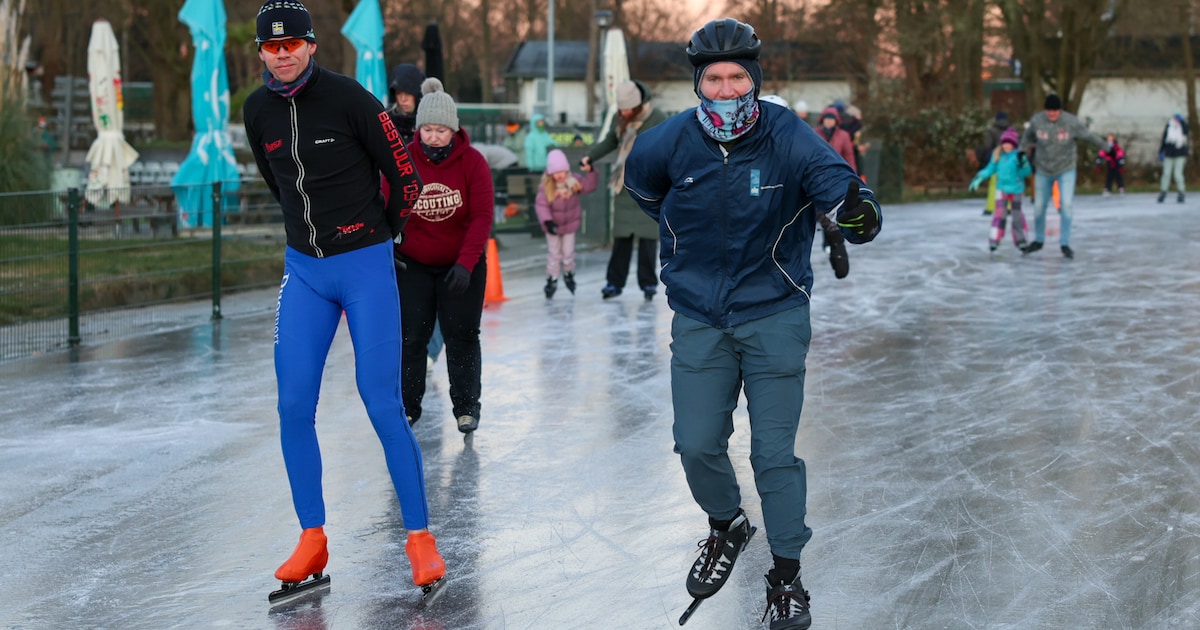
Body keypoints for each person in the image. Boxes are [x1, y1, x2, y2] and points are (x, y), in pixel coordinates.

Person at [623, 18, 881, 630]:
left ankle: (787, 577)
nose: (726, 90)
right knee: (696, 443)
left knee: (773, 455)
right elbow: (643, 190)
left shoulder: (786, 134)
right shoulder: (668, 142)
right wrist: (687, 251)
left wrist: (856, 210)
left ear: (755, 79)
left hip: (774, 313)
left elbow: (836, 185)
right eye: (713, 79)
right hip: (700, 316)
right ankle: (727, 524)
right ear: (698, 83)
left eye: (737, 77)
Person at [242, 0, 445, 599]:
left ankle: (420, 538)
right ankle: (312, 537)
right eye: (272, 46)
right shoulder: (257, 111)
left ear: (311, 45)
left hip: (365, 266)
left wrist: (382, 234)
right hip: (305, 271)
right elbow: (277, 183)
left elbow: (405, 175)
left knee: (381, 402)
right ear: (261, 53)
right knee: (292, 404)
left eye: (292, 45)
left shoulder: (351, 97)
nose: (282, 55)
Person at [394, 77, 493, 434]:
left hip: (460, 266)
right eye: (427, 130)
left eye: (441, 131)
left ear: (453, 130)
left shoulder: (474, 163)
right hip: (414, 265)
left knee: (461, 335)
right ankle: (407, 406)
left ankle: (466, 408)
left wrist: (466, 264)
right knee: (412, 337)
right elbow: (386, 203)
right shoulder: (403, 159)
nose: (433, 137)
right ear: (418, 129)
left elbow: (481, 216)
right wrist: (391, 244)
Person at [582, 79, 668, 300]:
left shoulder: (657, 118)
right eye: (621, 108)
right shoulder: (620, 117)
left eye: (628, 108)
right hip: (624, 184)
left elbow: (669, 146)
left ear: (638, 105)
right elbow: (611, 141)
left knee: (648, 239)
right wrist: (590, 157)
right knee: (621, 238)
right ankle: (614, 283)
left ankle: (648, 284)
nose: (624, 112)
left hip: (648, 185)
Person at [1018, 94, 1109, 259]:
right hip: (1043, 169)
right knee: (1039, 206)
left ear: (1060, 110)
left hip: (1066, 168)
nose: (1052, 114)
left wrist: (1107, 147)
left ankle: (1065, 243)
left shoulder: (1071, 122)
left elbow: (1088, 135)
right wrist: (1021, 151)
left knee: (1066, 205)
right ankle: (1039, 240)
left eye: (1055, 111)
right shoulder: (1037, 121)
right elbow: (1027, 136)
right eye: (1049, 111)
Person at [536, 149, 598, 298]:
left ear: (567, 170)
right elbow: (541, 205)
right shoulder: (546, 187)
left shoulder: (574, 182)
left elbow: (590, 186)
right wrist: (547, 221)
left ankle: (569, 273)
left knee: (568, 253)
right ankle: (552, 279)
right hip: (553, 227)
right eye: (555, 172)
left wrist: (591, 172)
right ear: (550, 173)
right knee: (554, 254)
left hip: (570, 225)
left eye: (562, 171)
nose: (559, 175)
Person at [969, 127, 1031, 252]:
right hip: (1001, 189)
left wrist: (1024, 164)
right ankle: (994, 239)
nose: (1006, 146)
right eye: (1004, 143)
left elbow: (1026, 173)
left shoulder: (1018, 156)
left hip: (1016, 189)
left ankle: (1021, 240)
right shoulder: (997, 155)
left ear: (1014, 144)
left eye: (1009, 143)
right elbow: (990, 169)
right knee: (999, 214)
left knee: (1017, 216)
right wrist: (978, 178)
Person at [814, 106, 854, 279]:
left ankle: (836, 245)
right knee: (821, 213)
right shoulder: (814, 133)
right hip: (817, 177)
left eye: (832, 119)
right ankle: (830, 242)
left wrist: (852, 176)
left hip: (836, 177)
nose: (829, 122)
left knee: (833, 212)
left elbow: (849, 155)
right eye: (826, 119)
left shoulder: (843, 136)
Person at [969, 111, 1010, 215]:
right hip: (1009, 159)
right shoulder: (1011, 131)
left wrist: (981, 155)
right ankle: (1009, 207)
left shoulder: (992, 131)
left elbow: (987, 146)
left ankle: (990, 208)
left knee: (993, 184)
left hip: (996, 159)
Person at [387, 63, 425, 144]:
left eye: (408, 93)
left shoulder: (429, 122)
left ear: (418, 93)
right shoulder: (386, 124)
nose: (403, 99)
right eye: (398, 93)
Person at [1158, 112, 1188, 203]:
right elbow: (1164, 139)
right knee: (1166, 173)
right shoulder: (1169, 126)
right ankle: (1163, 191)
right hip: (1169, 153)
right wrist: (1161, 151)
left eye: (1177, 118)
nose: (1176, 120)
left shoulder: (1182, 126)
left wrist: (1182, 122)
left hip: (1180, 153)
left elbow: (1186, 132)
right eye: (1175, 118)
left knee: (1178, 174)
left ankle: (1181, 192)